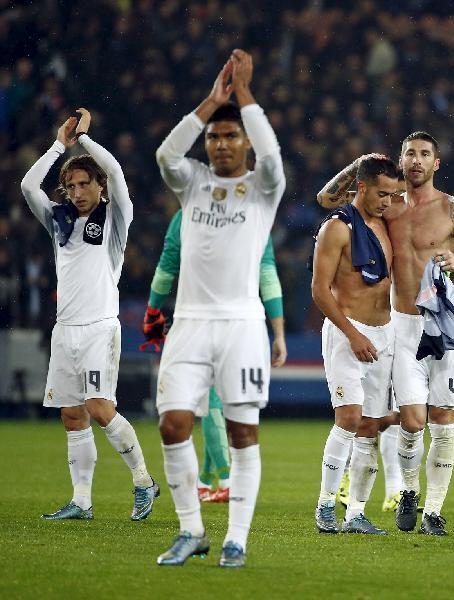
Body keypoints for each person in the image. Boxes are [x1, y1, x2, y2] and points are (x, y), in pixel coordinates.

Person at [318, 134, 454, 536]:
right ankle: (408, 491)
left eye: (424, 154)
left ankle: (433, 511)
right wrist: (360, 162)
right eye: (410, 154)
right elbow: (328, 200)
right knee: (412, 420)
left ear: (437, 163)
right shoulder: (388, 207)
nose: (416, 161)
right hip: (402, 324)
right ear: (400, 161)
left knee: (444, 418)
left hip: (447, 323)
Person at [154, 49, 285, 567]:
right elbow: (166, 156)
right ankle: (192, 531)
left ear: (245, 142)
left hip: (241, 327)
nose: (221, 143)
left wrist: (245, 97)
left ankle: (236, 538)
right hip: (188, 326)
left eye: (231, 135)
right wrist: (210, 103)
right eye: (214, 136)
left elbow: (274, 160)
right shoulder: (193, 183)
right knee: (172, 425)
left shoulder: (260, 190)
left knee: (241, 432)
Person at [20, 108, 159, 521]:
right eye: (71, 185)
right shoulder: (59, 222)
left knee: (100, 407)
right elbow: (29, 185)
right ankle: (81, 501)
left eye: (85, 183)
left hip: (99, 327)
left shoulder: (115, 219)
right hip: (65, 331)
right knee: (71, 414)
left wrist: (83, 140)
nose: (78, 191)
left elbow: (115, 172)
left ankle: (143, 481)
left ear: (99, 187)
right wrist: (59, 146)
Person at [141, 209, 288, 503]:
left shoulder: (186, 215)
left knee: (211, 406)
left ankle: (225, 478)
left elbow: (167, 265)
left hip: (199, 324)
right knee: (223, 410)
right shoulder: (254, 215)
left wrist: (153, 311)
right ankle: (209, 479)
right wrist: (279, 332)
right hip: (243, 327)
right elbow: (267, 272)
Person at [311, 155, 404, 535]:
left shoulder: (385, 222)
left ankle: (356, 514)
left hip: (385, 334)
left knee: (370, 426)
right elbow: (319, 290)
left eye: (393, 194)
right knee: (348, 418)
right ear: (361, 188)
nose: (388, 201)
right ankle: (325, 507)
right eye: (382, 193)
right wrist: (353, 334)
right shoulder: (336, 228)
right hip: (348, 332)